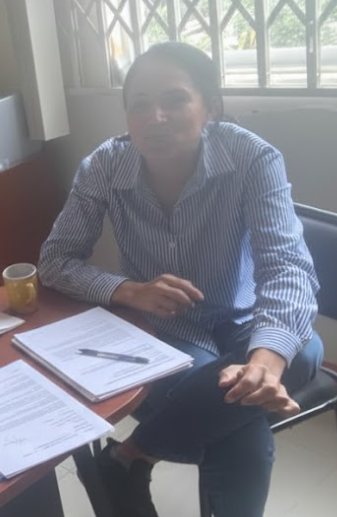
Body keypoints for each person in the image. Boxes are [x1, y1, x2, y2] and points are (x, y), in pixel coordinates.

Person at [39, 42, 323, 517]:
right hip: (163, 326)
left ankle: (126, 457)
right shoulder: (104, 166)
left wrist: (265, 362)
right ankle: (125, 463)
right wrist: (129, 290)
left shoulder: (252, 158)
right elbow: (55, 261)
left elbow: (287, 265)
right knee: (240, 431)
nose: (156, 117)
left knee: (303, 352)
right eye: (140, 104)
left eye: (175, 100)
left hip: (242, 316)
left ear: (209, 107)